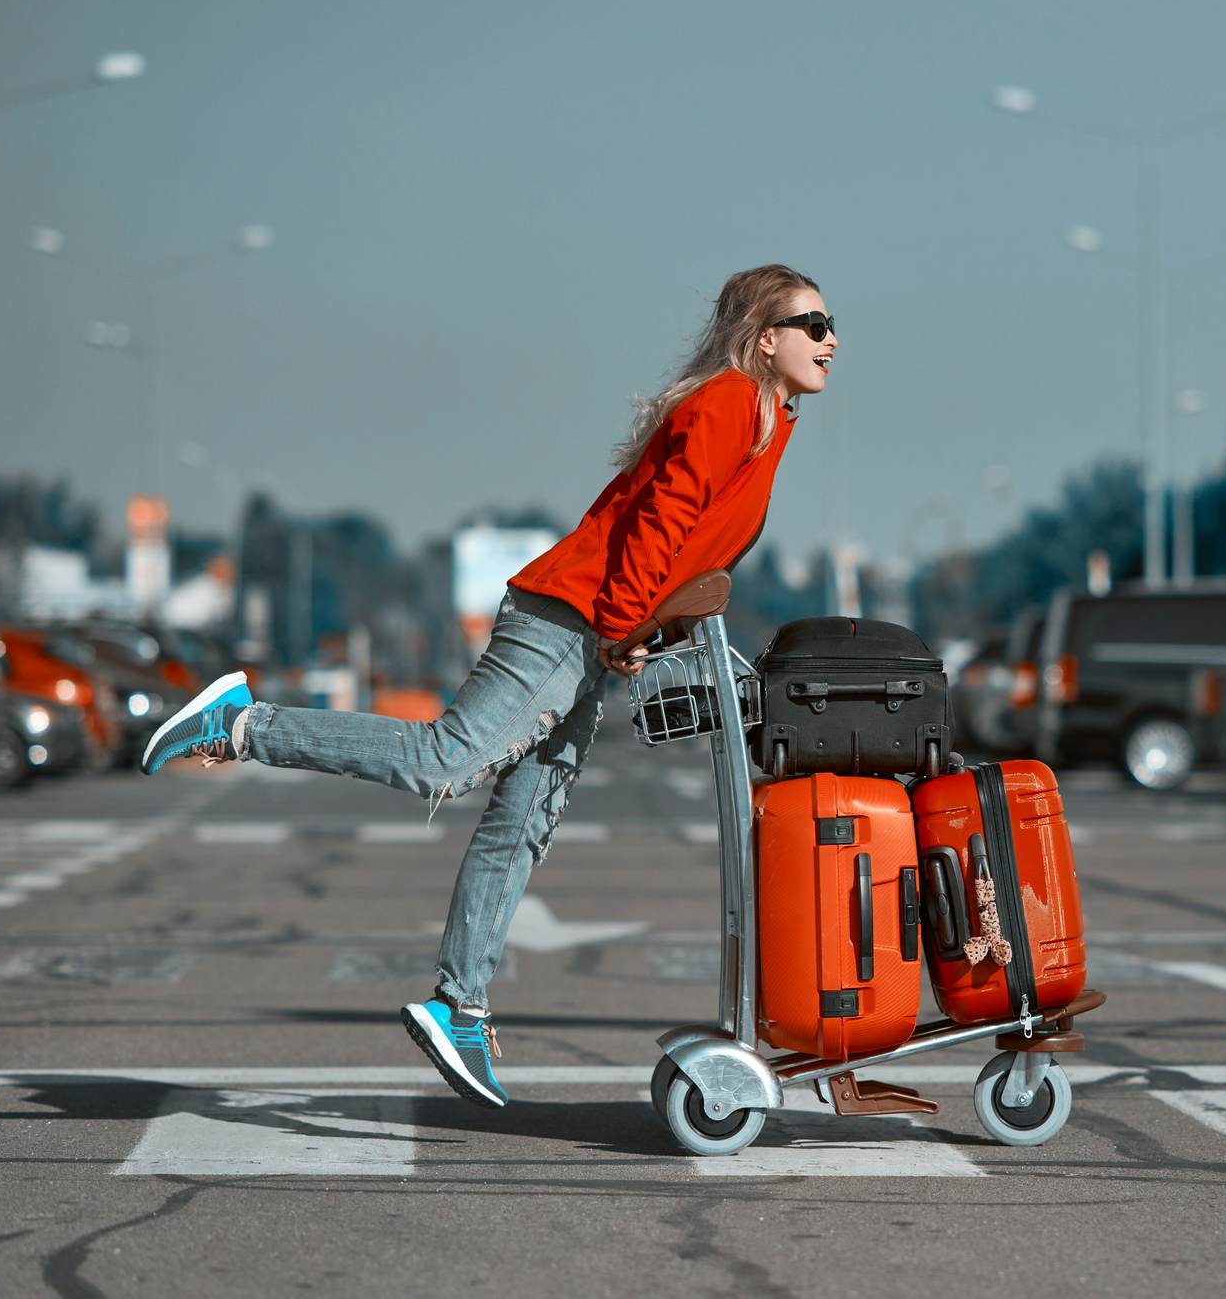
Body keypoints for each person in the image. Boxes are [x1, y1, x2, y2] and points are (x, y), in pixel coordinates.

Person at [137, 264, 835, 1107]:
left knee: (523, 818)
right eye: (813, 323)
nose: (830, 340)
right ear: (765, 336)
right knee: (445, 758)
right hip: (566, 619)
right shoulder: (727, 403)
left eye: (833, 326)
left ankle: (458, 1004)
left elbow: (686, 551)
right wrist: (622, 627)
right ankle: (240, 722)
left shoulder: (766, 421)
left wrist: (651, 634)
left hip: (597, 630)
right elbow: (661, 521)